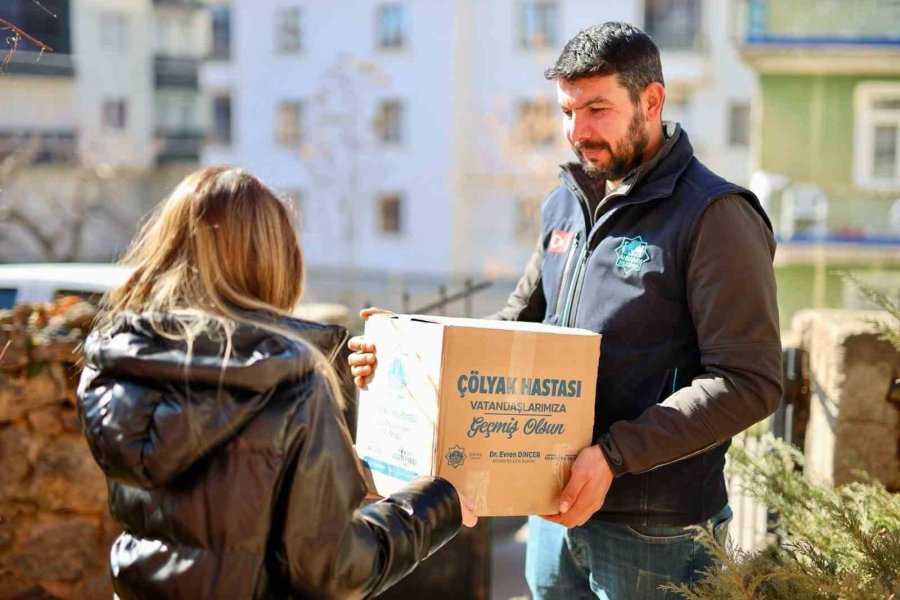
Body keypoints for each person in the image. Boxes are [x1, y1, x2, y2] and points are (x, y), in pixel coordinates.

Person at [348, 22, 782, 598]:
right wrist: (404, 355)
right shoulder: (565, 201)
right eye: (568, 111)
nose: (578, 131)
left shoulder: (714, 216)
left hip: (658, 534)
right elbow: (515, 330)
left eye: (597, 109)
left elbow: (748, 380)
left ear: (651, 100)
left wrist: (613, 457)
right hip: (549, 516)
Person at [76, 166, 477, 599]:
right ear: (277, 261)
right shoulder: (291, 386)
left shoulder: (119, 370)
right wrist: (437, 504)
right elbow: (335, 570)